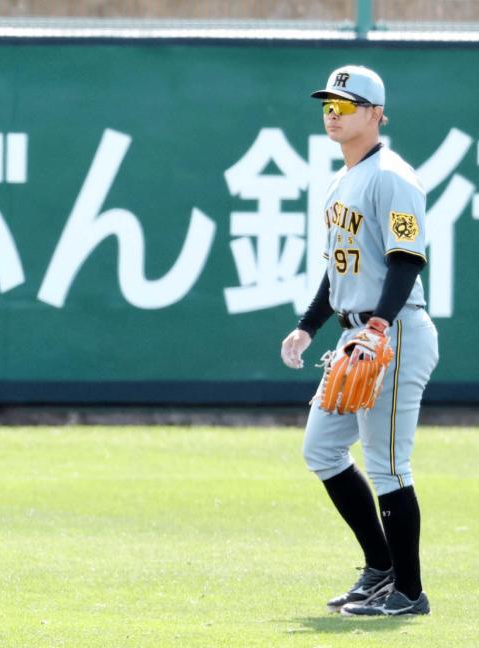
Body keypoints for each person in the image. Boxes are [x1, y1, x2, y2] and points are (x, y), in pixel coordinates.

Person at [280, 65, 438, 616]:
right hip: (355, 335)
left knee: (388, 465)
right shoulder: (340, 181)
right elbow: (338, 270)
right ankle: (379, 568)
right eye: (327, 104)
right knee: (321, 449)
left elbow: (407, 258)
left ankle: (409, 592)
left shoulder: (392, 176)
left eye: (346, 106)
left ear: (376, 114)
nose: (332, 113)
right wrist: (307, 324)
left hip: (393, 332)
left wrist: (376, 327)